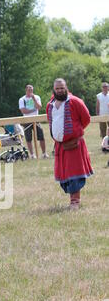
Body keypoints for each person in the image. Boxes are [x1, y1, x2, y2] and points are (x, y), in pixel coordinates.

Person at [46, 78, 93, 210]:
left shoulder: (75, 101)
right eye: (57, 88)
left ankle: (75, 201)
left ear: (66, 88)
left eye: (62, 88)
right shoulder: (50, 105)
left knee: (75, 173)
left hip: (74, 144)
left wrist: (75, 133)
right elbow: (51, 121)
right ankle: (72, 198)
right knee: (65, 174)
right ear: (54, 89)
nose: (60, 90)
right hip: (60, 146)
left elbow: (86, 118)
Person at [19, 84, 48, 159]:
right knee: (28, 138)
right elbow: (23, 111)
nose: (30, 91)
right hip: (27, 120)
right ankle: (32, 155)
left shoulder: (37, 97)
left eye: (31, 90)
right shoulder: (22, 99)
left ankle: (44, 153)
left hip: (36, 120)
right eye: (28, 89)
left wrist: (34, 99)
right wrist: (33, 109)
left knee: (41, 136)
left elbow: (39, 107)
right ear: (26, 90)